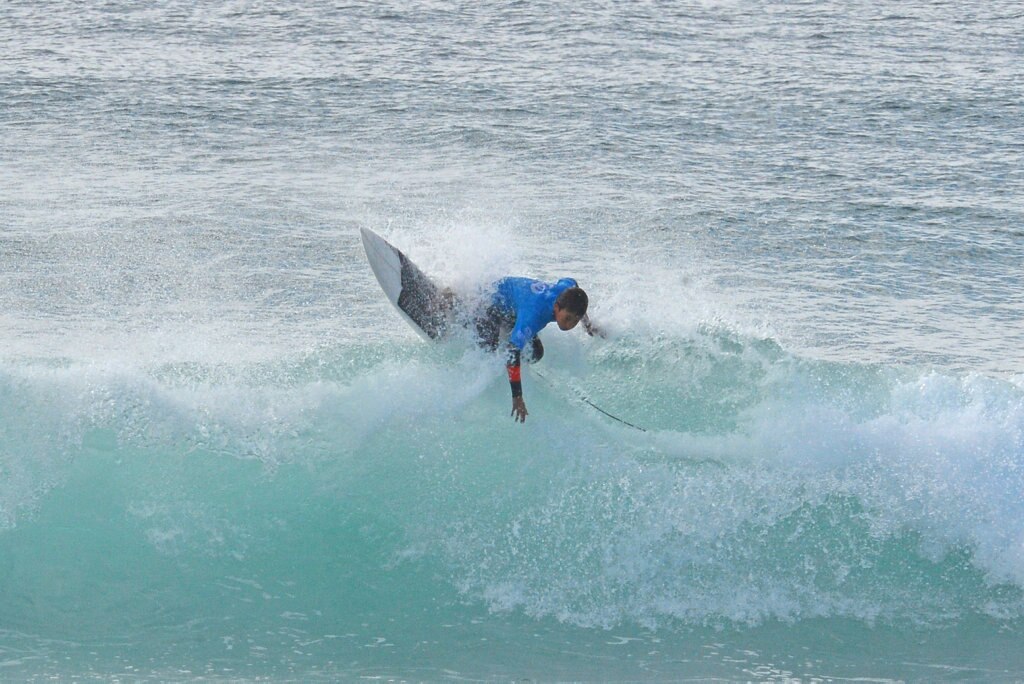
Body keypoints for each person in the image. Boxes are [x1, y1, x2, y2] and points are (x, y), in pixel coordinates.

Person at [474, 277, 601, 423]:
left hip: (514, 306)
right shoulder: (535, 316)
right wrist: (517, 397)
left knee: (536, 354)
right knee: (490, 354)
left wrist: (588, 326)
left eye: (575, 320)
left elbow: (574, 287)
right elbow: (512, 351)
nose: (569, 325)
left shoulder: (567, 290)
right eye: (567, 318)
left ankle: (513, 336)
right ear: (557, 307)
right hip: (489, 302)